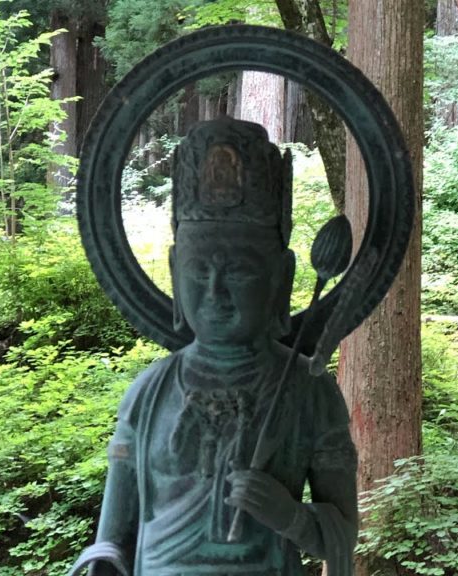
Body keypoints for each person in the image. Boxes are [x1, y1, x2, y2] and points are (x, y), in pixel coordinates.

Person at [70, 118, 358, 576]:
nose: (214, 293)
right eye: (197, 272)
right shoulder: (148, 395)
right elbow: (112, 539)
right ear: (173, 271)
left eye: (239, 273)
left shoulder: (309, 393)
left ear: (280, 279)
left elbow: (343, 536)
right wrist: (103, 563)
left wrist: (292, 518)